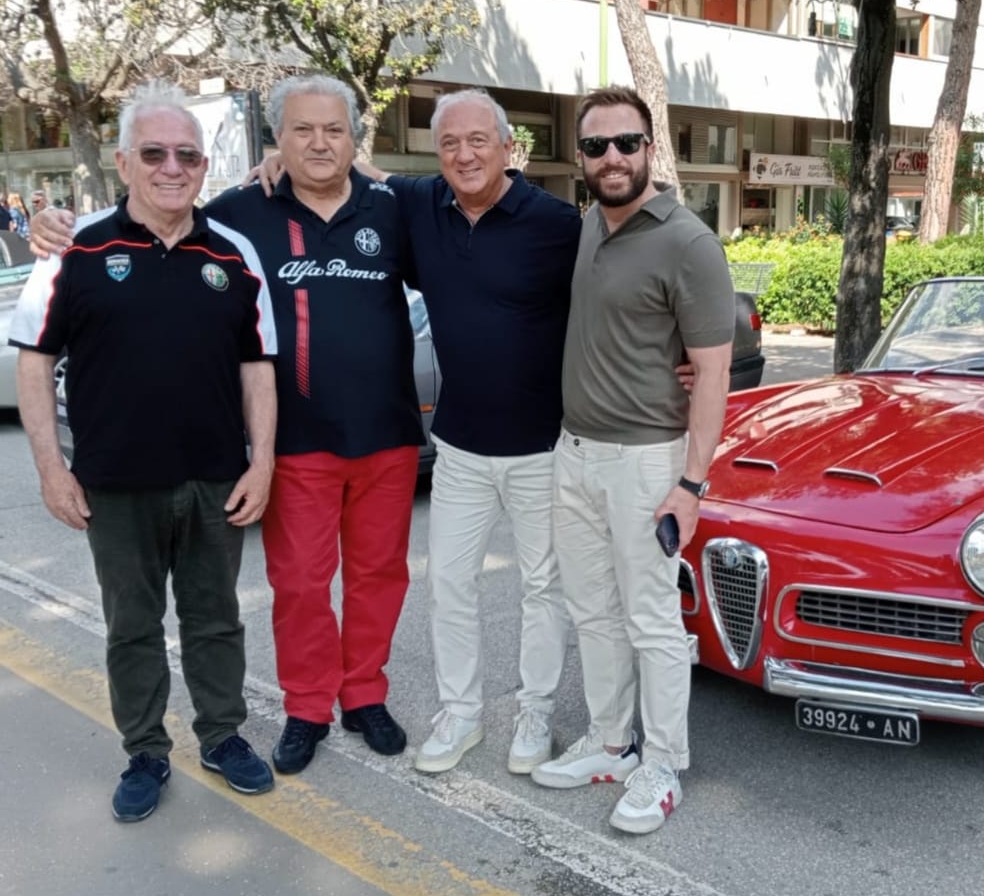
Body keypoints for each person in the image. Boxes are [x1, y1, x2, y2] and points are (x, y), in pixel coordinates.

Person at [28, 74, 424, 778]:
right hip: (295, 442)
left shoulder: (393, 209)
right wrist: (49, 227)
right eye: (301, 129)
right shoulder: (242, 213)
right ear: (277, 139)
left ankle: (363, 694)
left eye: (334, 128)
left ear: (355, 138)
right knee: (300, 584)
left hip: (385, 432)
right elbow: (153, 227)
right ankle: (306, 707)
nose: (318, 142)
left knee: (377, 575)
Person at [252, 88, 580, 776]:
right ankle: (450, 710)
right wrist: (270, 161)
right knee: (445, 585)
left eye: (478, 141)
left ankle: (532, 713)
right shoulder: (417, 205)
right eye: (450, 144)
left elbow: (617, 292)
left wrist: (679, 358)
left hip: (539, 446)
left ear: (506, 146)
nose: (464, 155)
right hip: (453, 444)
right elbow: (341, 172)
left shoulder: (555, 223)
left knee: (540, 588)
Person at [9, 80, 279, 822]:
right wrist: (50, 469)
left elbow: (258, 364)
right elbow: (34, 359)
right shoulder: (76, 247)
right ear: (124, 161)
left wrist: (262, 461)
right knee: (132, 623)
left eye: (187, 154)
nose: (172, 166)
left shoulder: (235, 252)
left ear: (201, 165)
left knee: (215, 617)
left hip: (214, 476)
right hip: (115, 483)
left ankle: (222, 735)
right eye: (154, 152)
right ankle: (145, 751)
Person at [529, 86, 735, 835]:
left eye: (625, 143)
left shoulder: (687, 241)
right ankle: (612, 742)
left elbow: (711, 372)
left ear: (650, 147)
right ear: (580, 157)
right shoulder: (589, 225)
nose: (611, 158)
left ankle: (663, 764)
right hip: (575, 453)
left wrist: (690, 484)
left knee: (650, 618)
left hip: (648, 462)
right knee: (593, 610)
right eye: (595, 146)